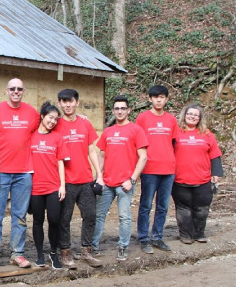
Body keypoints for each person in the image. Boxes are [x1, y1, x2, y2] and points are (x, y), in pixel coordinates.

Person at [0, 78, 39, 271]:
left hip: (24, 173)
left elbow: (49, 126)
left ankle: (17, 253)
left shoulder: (32, 113)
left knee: (19, 215)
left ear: (24, 91)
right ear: (6, 91)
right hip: (0, 173)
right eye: (12, 89)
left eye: (19, 89)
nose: (16, 91)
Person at [92, 95, 148, 261]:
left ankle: (123, 247)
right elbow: (101, 155)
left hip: (125, 184)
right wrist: (98, 177)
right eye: (117, 108)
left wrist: (131, 179)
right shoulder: (108, 131)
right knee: (99, 216)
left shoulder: (136, 130)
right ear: (113, 111)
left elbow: (143, 157)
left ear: (128, 110)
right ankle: (92, 247)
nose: (120, 111)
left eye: (123, 108)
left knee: (124, 217)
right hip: (107, 182)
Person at [55, 88, 104, 269]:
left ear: (77, 102)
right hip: (66, 181)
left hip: (85, 179)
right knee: (64, 218)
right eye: (64, 101)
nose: (67, 105)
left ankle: (86, 251)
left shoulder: (85, 124)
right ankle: (65, 252)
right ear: (59, 103)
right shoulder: (56, 123)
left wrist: (99, 175)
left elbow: (92, 150)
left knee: (90, 215)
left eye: (71, 101)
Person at [135, 85, 179, 253]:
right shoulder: (142, 118)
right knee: (145, 205)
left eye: (162, 97)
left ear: (166, 99)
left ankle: (157, 237)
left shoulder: (171, 120)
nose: (159, 100)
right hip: (149, 168)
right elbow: (137, 144)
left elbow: (174, 143)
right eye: (155, 97)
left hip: (168, 169)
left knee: (163, 205)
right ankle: (144, 238)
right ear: (150, 99)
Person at [172, 104, 223, 243]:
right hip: (179, 179)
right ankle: (186, 235)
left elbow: (215, 154)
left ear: (200, 118)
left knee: (201, 209)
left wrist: (216, 173)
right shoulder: (176, 133)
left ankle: (199, 233)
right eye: (190, 114)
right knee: (183, 209)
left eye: (196, 115)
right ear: (184, 115)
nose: (192, 117)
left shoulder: (207, 134)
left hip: (203, 179)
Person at [29, 102, 69, 270]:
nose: (52, 122)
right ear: (42, 116)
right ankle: (40, 254)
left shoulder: (57, 138)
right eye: (50, 118)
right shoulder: (30, 136)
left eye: (55, 119)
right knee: (37, 221)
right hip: (35, 187)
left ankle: (53, 252)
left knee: (54, 220)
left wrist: (62, 185)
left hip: (53, 186)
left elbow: (61, 163)